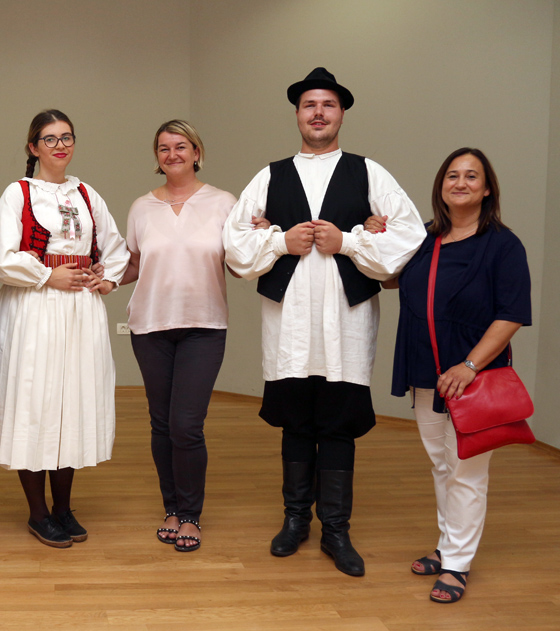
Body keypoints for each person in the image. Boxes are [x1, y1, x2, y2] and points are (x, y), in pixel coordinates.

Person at [223, 68, 426, 576]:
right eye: (309, 105)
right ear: (297, 114)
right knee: (296, 421)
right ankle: (295, 520)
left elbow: (408, 237)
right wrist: (278, 241)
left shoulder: (368, 173)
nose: (318, 113)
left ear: (341, 114)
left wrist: (352, 241)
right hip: (288, 322)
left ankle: (336, 528)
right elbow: (235, 244)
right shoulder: (270, 176)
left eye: (328, 105)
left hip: (346, 323)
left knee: (338, 425)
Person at [0, 109, 130, 547]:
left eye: (67, 137)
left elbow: (116, 249)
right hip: (33, 309)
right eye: (50, 139)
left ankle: (63, 508)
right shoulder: (18, 192)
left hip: (80, 310)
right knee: (35, 402)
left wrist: (107, 279)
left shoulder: (86, 193)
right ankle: (38, 512)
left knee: (71, 402)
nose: (60, 145)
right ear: (33, 147)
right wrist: (47, 275)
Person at [390, 148, 531, 603]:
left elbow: (512, 313)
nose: (461, 183)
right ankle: (448, 544)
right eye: (452, 175)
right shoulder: (425, 238)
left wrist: (469, 366)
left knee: (467, 471)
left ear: (487, 189)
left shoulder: (503, 245)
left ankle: (457, 564)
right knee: (442, 464)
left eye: (472, 176)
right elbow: (393, 279)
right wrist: (382, 234)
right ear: (441, 186)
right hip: (424, 371)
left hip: (472, 377)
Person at [120, 120, 237, 552]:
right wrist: (102, 278)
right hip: (149, 327)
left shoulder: (225, 203)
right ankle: (171, 508)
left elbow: (240, 262)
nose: (172, 154)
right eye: (164, 148)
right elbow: (134, 264)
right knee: (162, 423)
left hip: (204, 327)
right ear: (157, 157)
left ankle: (190, 514)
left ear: (197, 152)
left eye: (181, 146)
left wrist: (262, 234)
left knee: (186, 425)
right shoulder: (141, 207)